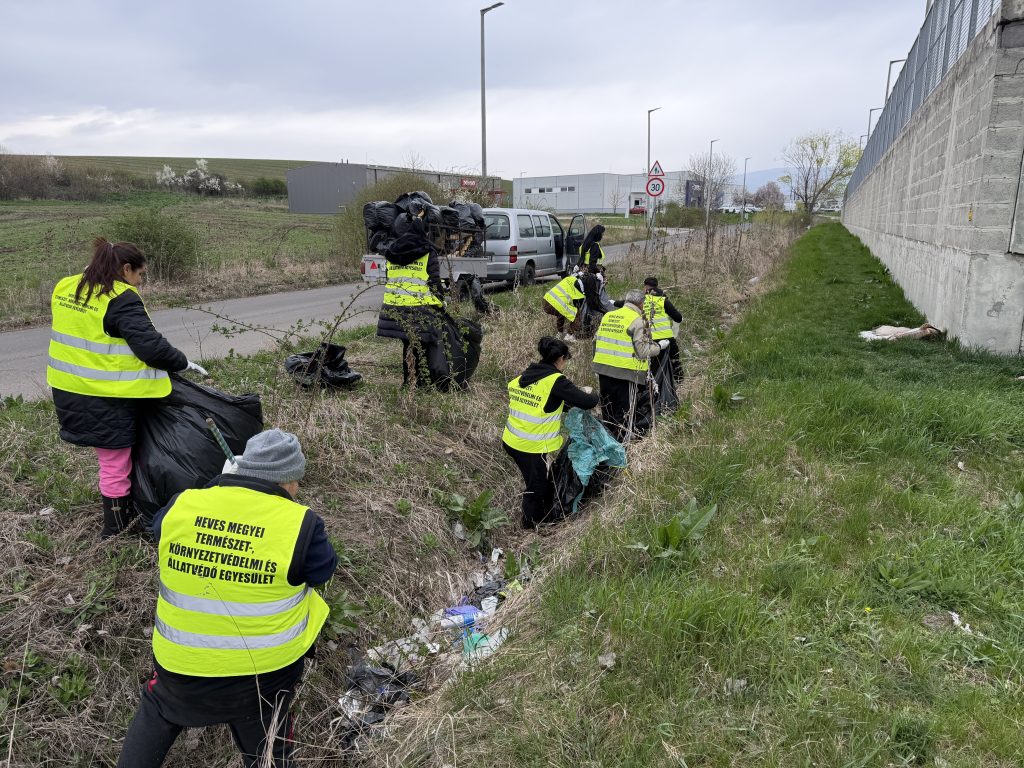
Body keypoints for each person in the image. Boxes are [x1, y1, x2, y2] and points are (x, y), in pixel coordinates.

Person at [118, 429, 339, 768]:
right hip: (262, 677)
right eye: (297, 481)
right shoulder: (301, 523)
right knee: (269, 752)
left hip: (179, 667)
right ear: (287, 481)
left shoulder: (184, 503)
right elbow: (322, 571)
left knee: (158, 709)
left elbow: (159, 529)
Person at [46, 237, 205, 539]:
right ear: (126, 269)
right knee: (114, 462)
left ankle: (123, 516)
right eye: (140, 274)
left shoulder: (65, 286)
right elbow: (151, 348)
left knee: (111, 457)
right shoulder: (120, 297)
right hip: (106, 396)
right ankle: (116, 530)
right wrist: (182, 363)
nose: (140, 282)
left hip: (69, 389)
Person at [502, 337, 599, 529]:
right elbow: (588, 402)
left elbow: (543, 403)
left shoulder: (528, 375)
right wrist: (593, 393)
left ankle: (538, 516)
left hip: (512, 440)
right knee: (537, 487)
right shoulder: (555, 381)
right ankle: (531, 526)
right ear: (561, 358)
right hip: (530, 447)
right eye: (566, 360)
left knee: (537, 481)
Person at [376, 210, 445, 387]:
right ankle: (421, 383)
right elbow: (434, 282)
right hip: (418, 309)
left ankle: (409, 382)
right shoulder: (428, 251)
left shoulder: (391, 251)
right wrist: (441, 302)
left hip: (394, 308)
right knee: (422, 344)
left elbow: (390, 278)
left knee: (408, 344)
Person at [592, 288, 667, 442]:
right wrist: (659, 347)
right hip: (626, 373)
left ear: (626, 301)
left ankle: (607, 439)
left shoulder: (608, 316)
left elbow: (595, 341)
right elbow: (643, 351)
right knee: (624, 411)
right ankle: (621, 444)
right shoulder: (639, 321)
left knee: (607, 407)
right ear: (641, 304)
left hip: (603, 370)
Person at [638, 277, 684, 385]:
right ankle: (680, 384)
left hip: (650, 340)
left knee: (651, 367)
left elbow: (625, 305)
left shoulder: (640, 301)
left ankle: (651, 387)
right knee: (675, 363)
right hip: (667, 339)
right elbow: (678, 318)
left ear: (645, 287)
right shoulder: (662, 300)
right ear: (656, 286)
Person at [541, 271, 586, 340]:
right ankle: (569, 336)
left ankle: (559, 333)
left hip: (546, 301)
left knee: (562, 313)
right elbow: (580, 302)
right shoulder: (580, 286)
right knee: (576, 314)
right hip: (558, 303)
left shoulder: (569, 278)